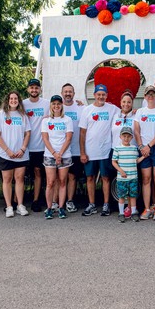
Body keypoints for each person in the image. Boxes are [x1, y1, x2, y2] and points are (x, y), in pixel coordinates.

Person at [79, 84, 118, 216]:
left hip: (105, 151)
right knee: (90, 177)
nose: (101, 97)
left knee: (105, 178)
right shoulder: (87, 110)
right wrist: (82, 152)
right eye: (99, 94)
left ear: (106, 96)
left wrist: (135, 111)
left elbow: (125, 111)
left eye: (103, 94)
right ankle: (92, 204)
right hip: (90, 151)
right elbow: (82, 133)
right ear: (94, 95)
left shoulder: (112, 109)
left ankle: (106, 205)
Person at [0, 91, 31, 218]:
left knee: (20, 179)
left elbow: (27, 133)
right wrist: (7, 150)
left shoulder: (23, 116)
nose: (13, 101)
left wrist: (23, 149)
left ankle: (20, 205)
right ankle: (9, 206)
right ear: (7, 100)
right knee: (7, 179)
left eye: (16, 99)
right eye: (11, 98)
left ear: (19, 101)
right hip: (5, 154)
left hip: (21, 154)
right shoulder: (0, 115)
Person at [135, 85, 155, 220]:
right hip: (143, 149)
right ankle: (147, 208)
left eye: (153, 94)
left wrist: (149, 145)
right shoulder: (140, 111)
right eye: (148, 94)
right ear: (145, 96)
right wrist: (141, 146)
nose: (151, 96)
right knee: (146, 179)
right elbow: (136, 131)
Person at [41, 95, 73, 219]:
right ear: (51, 105)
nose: (56, 106)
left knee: (62, 182)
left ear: (61, 105)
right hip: (50, 155)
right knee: (50, 182)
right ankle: (49, 208)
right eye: (54, 104)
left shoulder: (67, 120)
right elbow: (45, 139)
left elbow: (68, 138)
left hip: (65, 155)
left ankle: (61, 208)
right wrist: (54, 154)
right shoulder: (46, 121)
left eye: (58, 104)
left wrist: (60, 154)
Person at [22, 78, 50, 212]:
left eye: (36, 88)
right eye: (32, 87)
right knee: (20, 174)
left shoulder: (46, 103)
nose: (34, 90)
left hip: (40, 145)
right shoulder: (22, 104)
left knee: (38, 172)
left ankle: (36, 200)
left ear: (40, 89)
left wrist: (79, 104)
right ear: (28, 89)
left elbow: (60, 109)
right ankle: (17, 201)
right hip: (24, 146)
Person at [61, 83, 85, 213]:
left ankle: (70, 201)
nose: (68, 94)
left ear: (74, 94)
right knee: (60, 178)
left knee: (72, 177)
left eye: (70, 91)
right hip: (60, 150)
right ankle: (57, 202)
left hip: (75, 149)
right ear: (62, 93)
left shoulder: (81, 107)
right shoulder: (57, 107)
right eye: (65, 92)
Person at [112, 127, 143, 223]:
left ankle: (133, 213)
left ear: (131, 137)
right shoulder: (117, 148)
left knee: (133, 196)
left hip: (133, 177)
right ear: (120, 137)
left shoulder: (134, 148)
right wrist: (120, 171)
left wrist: (143, 157)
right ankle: (121, 213)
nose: (126, 138)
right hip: (122, 178)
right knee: (121, 196)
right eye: (124, 136)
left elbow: (136, 161)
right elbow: (114, 162)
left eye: (128, 136)